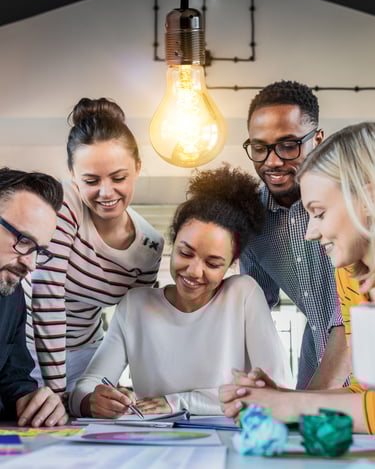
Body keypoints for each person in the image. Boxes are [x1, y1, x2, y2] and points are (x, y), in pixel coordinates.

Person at [69, 165, 293, 418]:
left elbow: (276, 390)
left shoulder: (243, 294)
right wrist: (91, 401)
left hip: (226, 444)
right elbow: (87, 385)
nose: (194, 271)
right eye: (185, 253)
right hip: (154, 443)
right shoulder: (136, 305)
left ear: (231, 263)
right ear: (173, 244)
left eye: (213, 263)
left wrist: (180, 402)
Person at [221, 122, 375, 434]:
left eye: (318, 213)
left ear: (366, 196)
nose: (310, 232)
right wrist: (278, 399)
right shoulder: (349, 278)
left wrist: (289, 406)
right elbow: (365, 398)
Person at [25, 98, 164, 394]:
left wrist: (148, 391)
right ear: (73, 175)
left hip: (85, 356)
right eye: (91, 180)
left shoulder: (150, 246)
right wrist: (56, 391)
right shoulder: (65, 200)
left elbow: (137, 323)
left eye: (118, 177)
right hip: (23, 348)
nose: (106, 192)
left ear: (138, 167)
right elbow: (48, 294)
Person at [240, 80, 349, 389]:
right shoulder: (253, 223)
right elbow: (254, 313)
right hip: (314, 372)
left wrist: (307, 403)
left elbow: (352, 314)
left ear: (318, 140)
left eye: (289, 145)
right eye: (260, 148)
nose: (272, 161)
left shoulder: (351, 203)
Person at [0, 167, 67, 426]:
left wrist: (35, 403)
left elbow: (13, 378)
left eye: (39, 250)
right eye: (24, 241)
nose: (30, 264)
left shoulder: (11, 296)